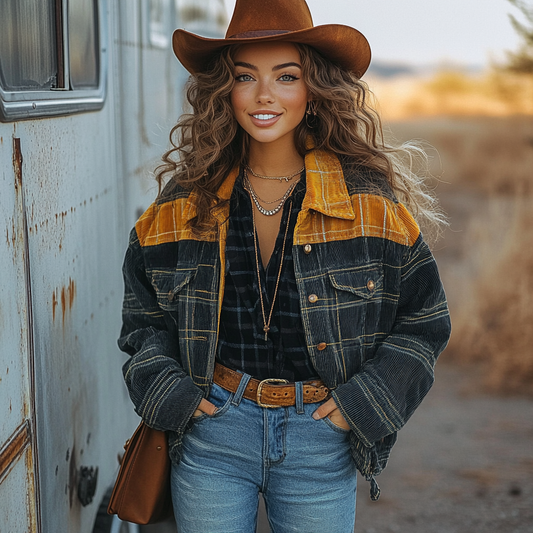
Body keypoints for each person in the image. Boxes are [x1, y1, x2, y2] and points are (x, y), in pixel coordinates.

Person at [118, 0, 451, 531]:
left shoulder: (368, 205)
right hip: (214, 433)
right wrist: (174, 396)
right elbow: (143, 319)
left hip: (320, 439)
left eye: (286, 76)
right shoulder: (184, 203)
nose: (264, 95)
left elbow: (425, 320)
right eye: (245, 77)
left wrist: (361, 405)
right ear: (224, 92)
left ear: (314, 91)